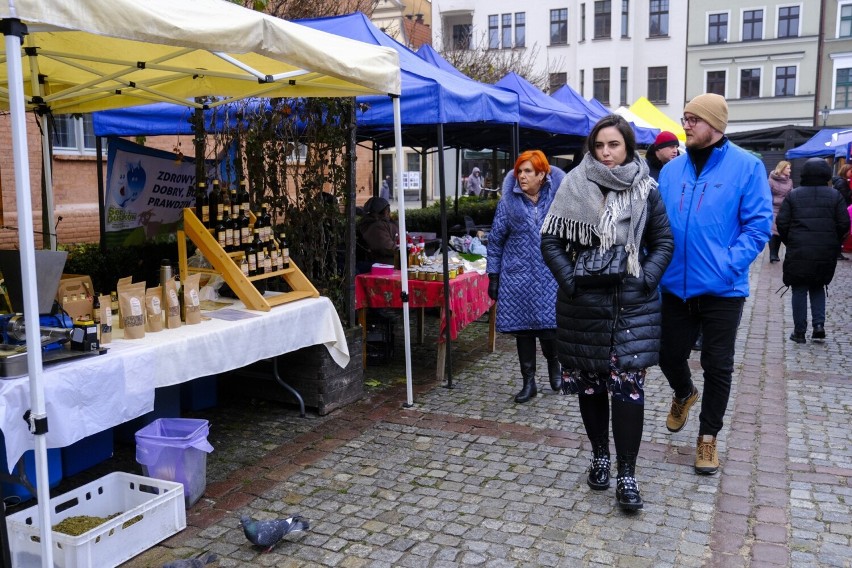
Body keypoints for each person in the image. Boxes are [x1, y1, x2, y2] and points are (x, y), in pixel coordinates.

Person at [541, 114, 673, 511]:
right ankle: (599, 456)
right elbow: (550, 241)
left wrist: (645, 279)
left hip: (632, 306)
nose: (605, 152)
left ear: (628, 147)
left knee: (629, 389)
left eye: (613, 145)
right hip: (584, 307)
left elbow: (663, 241)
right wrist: (572, 283)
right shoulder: (573, 184)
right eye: (599, 145)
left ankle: (627, 475)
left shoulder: (646, 189)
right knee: (592, 387)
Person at [656, 93, 772, 476]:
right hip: (675, 285)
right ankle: (684, 393)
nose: (685, 125)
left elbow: (758, 226)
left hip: (723, 289)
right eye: (684, 118)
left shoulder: (747, 166)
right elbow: (657, 225)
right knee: (668, 355)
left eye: (693, 119)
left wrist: (728, 263)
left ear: (716, 125)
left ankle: (708, 439)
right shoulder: (671, 170)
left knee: (717, 364)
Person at [487, 150, 566, 404]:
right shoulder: (509, 201)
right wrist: (493, 276)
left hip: (548, 275)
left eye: (528, 171)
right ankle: (528, 382)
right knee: (524, 332)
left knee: (549, 328)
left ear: (542, 174)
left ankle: (555, 368)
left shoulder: (557, 198)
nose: (522, 176)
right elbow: (496, 239)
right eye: (519, 171)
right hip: (517, 277)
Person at [776, 158, 851, 343]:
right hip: (825, 249)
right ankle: (819, 326)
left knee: (799, 288)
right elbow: (844, 223)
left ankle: (799, 332)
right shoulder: (835, 196)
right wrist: (834, 241)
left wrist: (790, 241)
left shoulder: (794, 195)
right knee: (818, 285)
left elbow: (782, 222)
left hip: (799, 248)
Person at [357, 197, 399, 266]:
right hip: (383, 264)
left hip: (386, 262)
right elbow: (386, 247)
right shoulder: (376, 227)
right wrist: (404, 250)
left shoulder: (378, 224)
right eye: (388, 210)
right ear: (385, 212)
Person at [767, 160, 793, 263]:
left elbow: (791, 194)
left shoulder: (789, 181)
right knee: (774, 231)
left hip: (785, 209)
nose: (790, 170)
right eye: (788, 168)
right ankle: (773, 254)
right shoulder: (771, 181)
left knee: (781, 231)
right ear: (782, 169)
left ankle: (777, 253)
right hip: (773, 208)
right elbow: (766, 194)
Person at [831, 164, 852, 260]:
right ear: (845, 171)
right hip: (842, 210)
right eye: (850, 171)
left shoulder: (841, 182)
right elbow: (844, 197)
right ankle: (837, 253)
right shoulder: (842, 183)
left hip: (840, 210)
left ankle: (837, 252)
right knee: (842, 231)